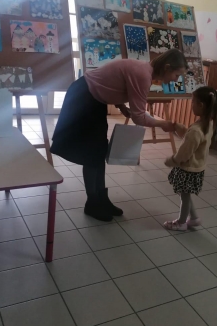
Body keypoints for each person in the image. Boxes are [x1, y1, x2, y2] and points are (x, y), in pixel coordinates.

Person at [50, 49, 187, 222]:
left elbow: (112, 83)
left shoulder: (144, 70)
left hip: (91, 96)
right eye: (177, 75)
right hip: (84, 97)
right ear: (167, 68)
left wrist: (121, 105)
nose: (176, 79)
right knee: (91, 154)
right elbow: (139, 117)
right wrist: (162, 124)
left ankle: (101, 198)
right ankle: (92, 202)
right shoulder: (143, 75)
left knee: (98, 151)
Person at [163, 86, 217, 231]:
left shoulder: (196, 130)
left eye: (193, 101)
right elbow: (193, 141)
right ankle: (194, 218)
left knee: (184, 196)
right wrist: (179, 128)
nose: (191, 104)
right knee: (186, 194)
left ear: (200, 105)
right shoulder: (208, 124)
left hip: (187, 169)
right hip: (197, 168)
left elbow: (185, 153)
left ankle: (181, 223)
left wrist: (172, 160)